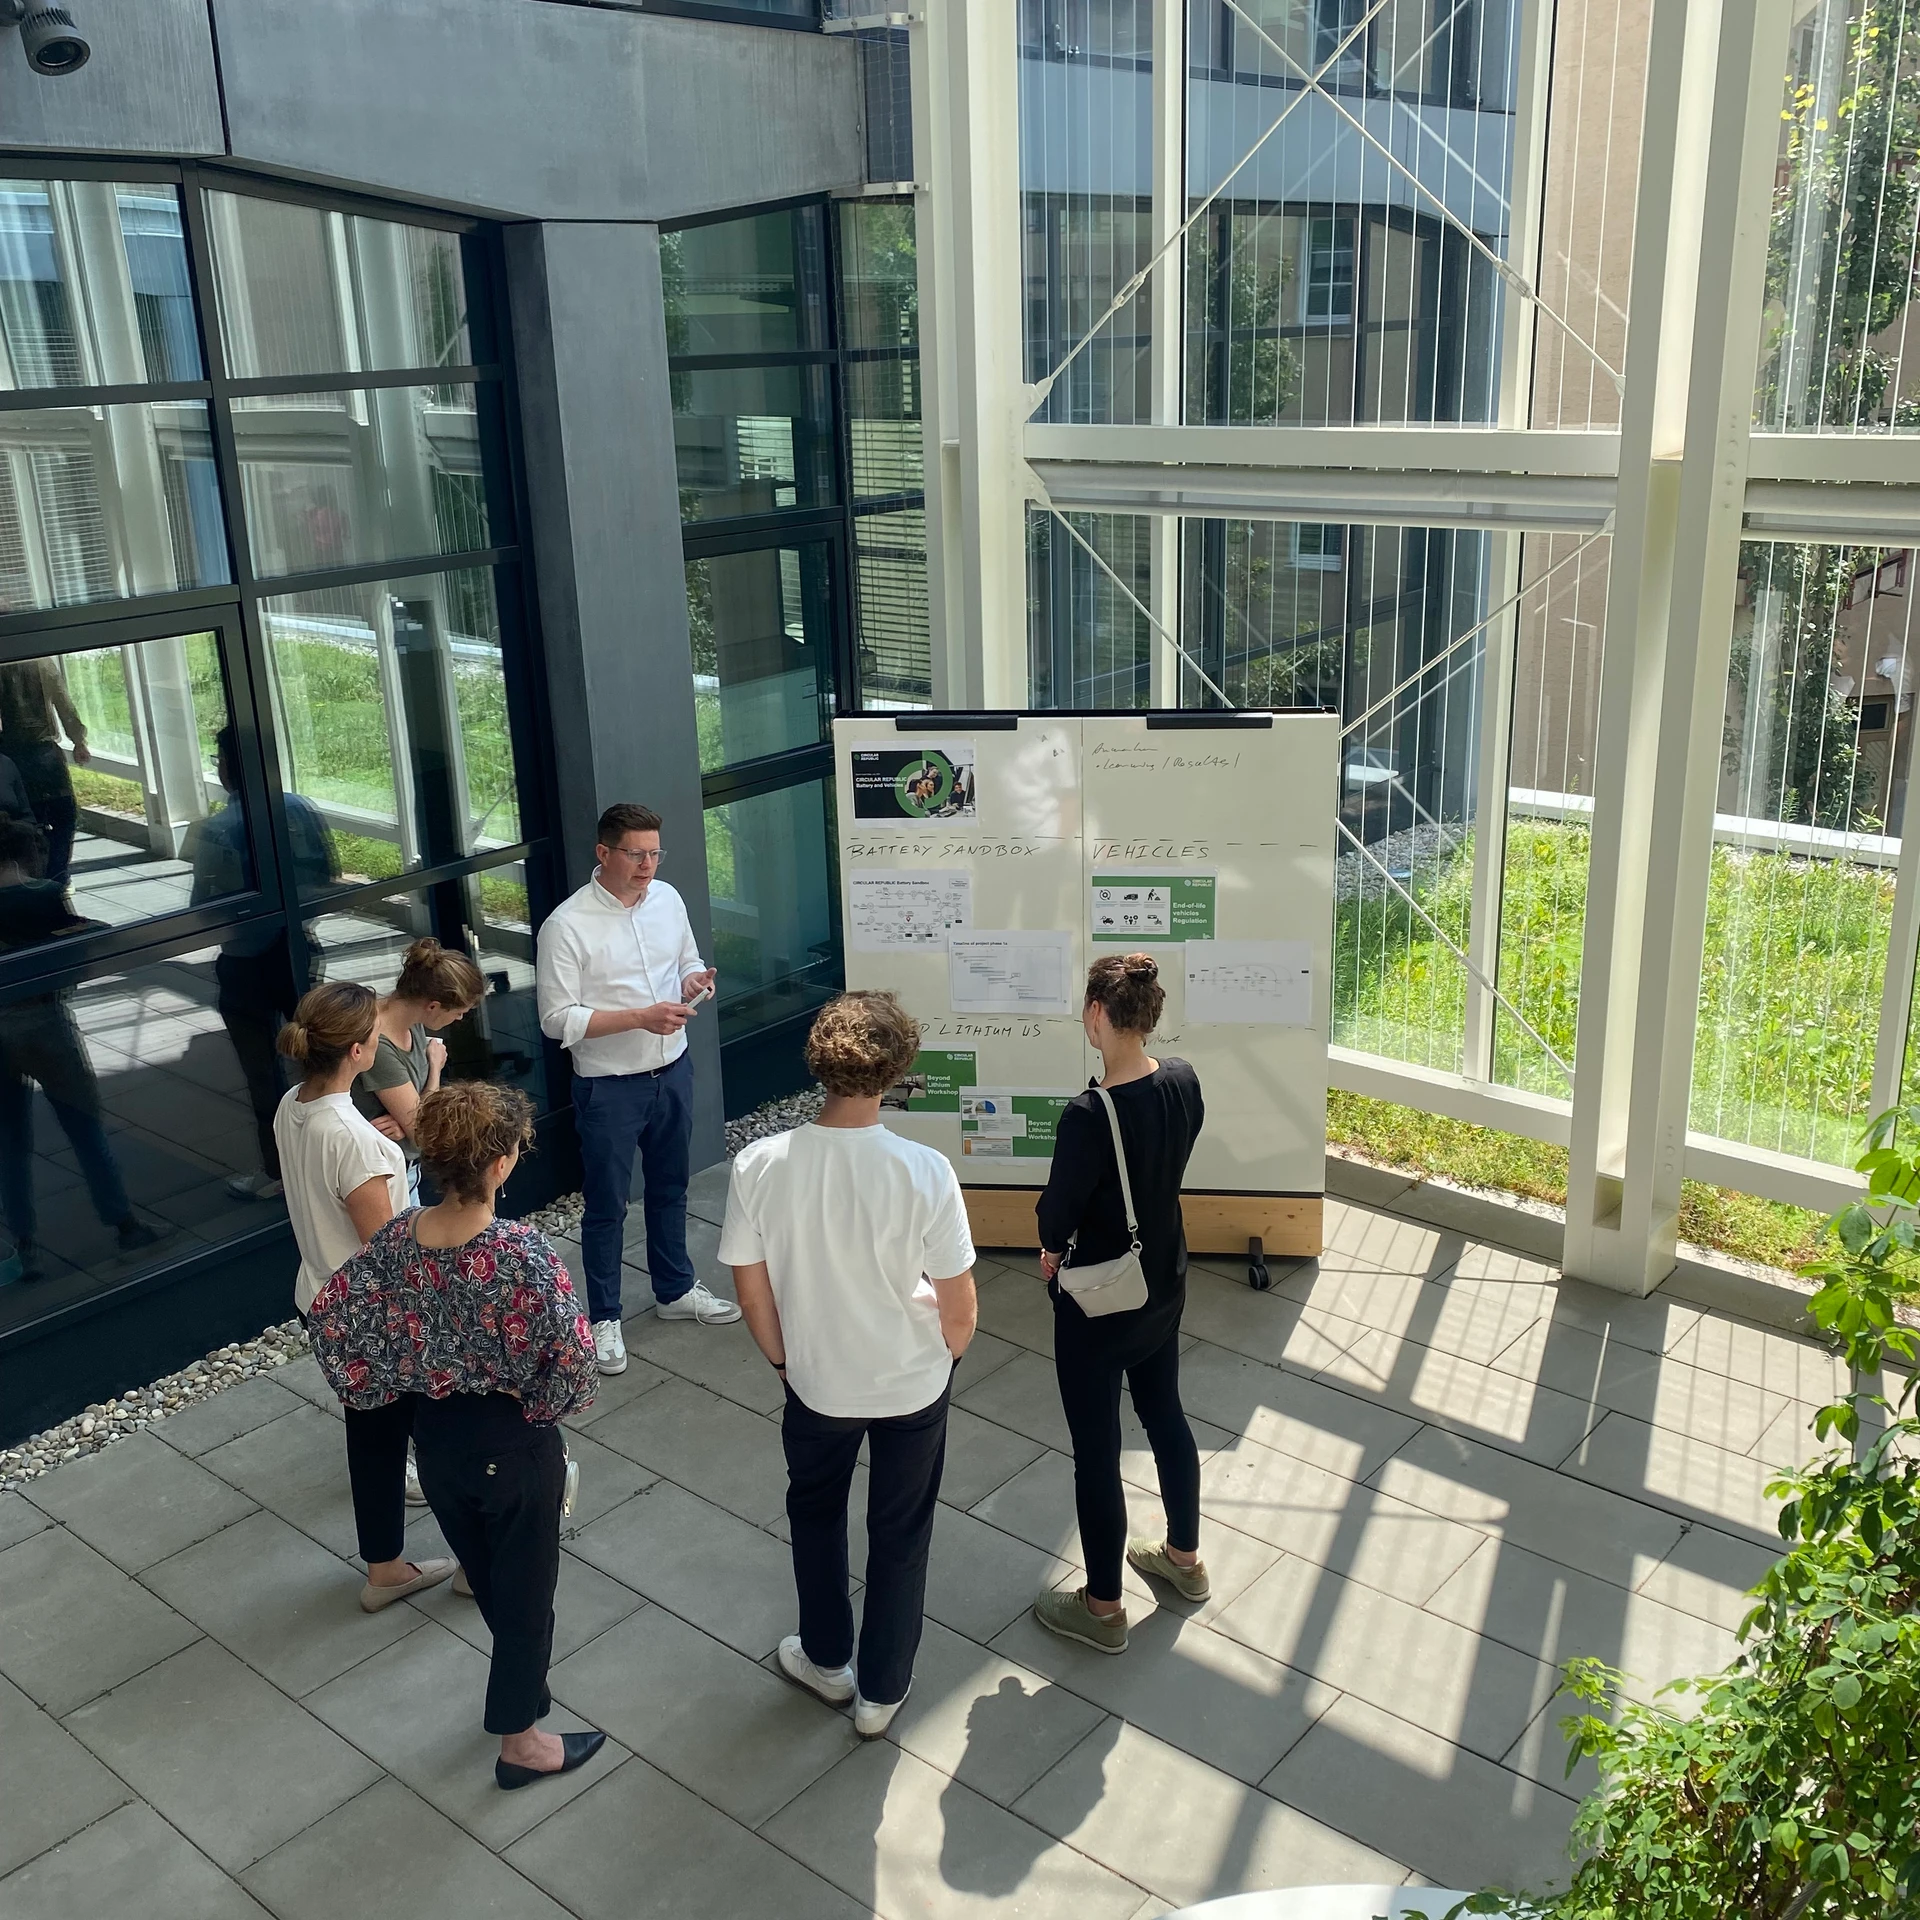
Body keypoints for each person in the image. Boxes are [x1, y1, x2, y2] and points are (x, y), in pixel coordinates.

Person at [308, 1082, 605, 1791]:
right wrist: (534, 1402)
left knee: (495, 1580)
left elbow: (331, 1321)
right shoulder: (520, 1253)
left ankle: (524, 1694)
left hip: (436, 1441)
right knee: (526, 1598)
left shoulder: (396, 1239)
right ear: (501, 1164)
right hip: (512, 1444)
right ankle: (520, 1744)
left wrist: (388, 1386)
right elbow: (574, 1363)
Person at [722, 991, 976, 1738]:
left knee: (815, 1514)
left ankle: (827, 1660)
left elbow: (751, 1288)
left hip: (816, 1383)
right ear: (896, 1071)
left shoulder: (759, 1164)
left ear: (819, 1064)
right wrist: (945, 1357)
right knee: (902, 1532)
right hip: (913, 1383)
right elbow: (960, 1304)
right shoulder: (925, 1169)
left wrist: (783, 1361)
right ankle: (882, 1691)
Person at [1032, 953, 1207, 1654]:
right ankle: (1184, 1560)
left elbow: (1057, 1214)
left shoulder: (1088, 1115)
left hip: (1102, 1303)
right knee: (1165, 1413)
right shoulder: (1183, 1080)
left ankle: (1103, 1607)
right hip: (1163, 1280)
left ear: (1098, 1014)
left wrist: (1051, 1249)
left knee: (1097, 1453)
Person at [535, 800, 736, 1379]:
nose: (648, 865)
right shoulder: (566, 926)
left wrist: (694, 981)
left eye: (654, 853)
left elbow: (688, 960)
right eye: (635, 854)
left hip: (672, 1070)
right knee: (606, 1205)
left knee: (671, 1188)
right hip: (608, 1088)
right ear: (604, 853)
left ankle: (675, 1290)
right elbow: (556, 1020)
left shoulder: (667, 899)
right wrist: (640, 1018)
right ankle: (603, 1317)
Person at [273, 981, 454, 1612]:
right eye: (374, 1035)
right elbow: (388, 1252)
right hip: (372, 1317)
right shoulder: (354, 1140)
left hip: (322, 1298)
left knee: (374, 1438)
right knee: (441, 1432)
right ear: (357, 1051)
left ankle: (386, 1568)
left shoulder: (293, 1105)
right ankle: (466, 1558)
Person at [0, 816, 160, 1281]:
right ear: (28, 854)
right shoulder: (44, 895)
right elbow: (78, 949)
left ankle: (24, 1244)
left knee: (10, 1145)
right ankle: (124, 1224)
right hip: (45, 1022)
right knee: (84, 1127)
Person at [185, 725, 338, 1202]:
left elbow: (203, 908)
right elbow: (328, 874)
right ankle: (339, 1156)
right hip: (295, 948)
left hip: (244, 963)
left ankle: (278, 1169)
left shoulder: (216, 829)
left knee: (263, 1073)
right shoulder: (299, 809)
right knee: (324, 1056)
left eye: (219, 760)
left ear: (229, 769)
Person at [352, 935, 486, 1196]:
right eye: (459, 1012)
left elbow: (418, 1122)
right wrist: (435, 1069)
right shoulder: (379, 1046)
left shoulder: (410, 1019)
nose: (460, 1019)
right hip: (387, 1176)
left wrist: (409, 1123)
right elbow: (425, 1134)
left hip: (401, 1166)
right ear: (433, 1006)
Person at [0, 656, 90, 888]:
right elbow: (63, 701)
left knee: (27, 820)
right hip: (47, 754)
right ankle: (58, 876)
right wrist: (78, 740)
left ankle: (32, 875)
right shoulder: (42, 660)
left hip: (11, 755)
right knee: (64, 817)